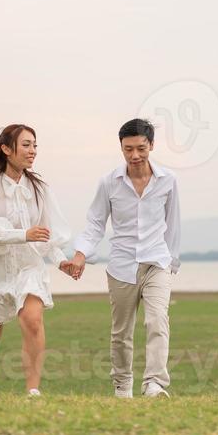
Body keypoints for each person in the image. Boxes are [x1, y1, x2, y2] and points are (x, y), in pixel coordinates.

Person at [0, 123, 76, 397]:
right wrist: (22, 234)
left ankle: (32, 391)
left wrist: (61, 261)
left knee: (33, 320)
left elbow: (46, 233)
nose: (32, 151)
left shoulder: (39, 188)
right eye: (26, 145)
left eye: (35, 145)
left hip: (28, 267)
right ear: (6, 149)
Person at [70, 118, 181, 398]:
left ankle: (154, 383)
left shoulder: (168, 180)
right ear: (121, 148)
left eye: (141, 148)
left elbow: (173, 223)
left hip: (157, 262)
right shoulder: (109, 182)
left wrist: (171, 262)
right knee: (122, 332)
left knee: (157, 321)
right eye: (128, 149)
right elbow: (96, 223)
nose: (135, 155)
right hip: (121, 265)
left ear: (151, 145)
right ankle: (122, 385)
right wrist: (81, 254)